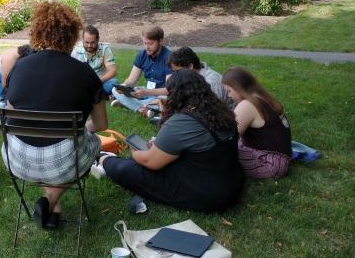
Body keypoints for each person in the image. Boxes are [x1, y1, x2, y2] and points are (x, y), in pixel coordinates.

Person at [3, 1, 108, 229]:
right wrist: (77, 129)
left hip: (17, 158)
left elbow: (10, 115)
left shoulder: (20, 67)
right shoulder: (85, 73)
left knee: (47, 142)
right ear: (72, 36)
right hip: (62, 162)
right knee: (93, 142)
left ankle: (53, 206)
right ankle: (51, 199)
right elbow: (100, 124)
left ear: (38, 32)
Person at [93, 69, 245, 213]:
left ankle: (104, 158)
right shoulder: (221, 111)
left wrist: (134, 150)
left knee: (131, 169)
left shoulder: (183, 121)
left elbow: (150, 162)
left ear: (176, 94)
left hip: (208, 195)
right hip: (233, 183)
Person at [222, 67, 292, 179]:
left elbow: (227, 137)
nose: (229, 96)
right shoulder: (262, 96)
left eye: (229, 91)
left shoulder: (247, 105)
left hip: (269, 163)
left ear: (238, 88)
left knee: (217, 156)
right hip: (282, 157)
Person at [111, 26, 172, 117]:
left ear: (160, 41)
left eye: (150, 43)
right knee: (114, 90)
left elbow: (168, 90)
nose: (147, 47)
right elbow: (131, 81)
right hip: (146, 92)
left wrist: (146, 92)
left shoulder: (169, 58)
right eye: (145, 43)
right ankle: (143, 109)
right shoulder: (142, 55)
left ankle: (129, 104)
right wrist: (124, 87)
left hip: (160, 94)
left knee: (164, 102)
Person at [71, 25, 118, 95]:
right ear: (82, 40)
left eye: (93, 42)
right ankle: (95, 95)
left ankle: (89, 94)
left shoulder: (105, 49)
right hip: (82, 83)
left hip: (100, 82)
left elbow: (113, 71)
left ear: (98, 40)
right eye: (86, 42)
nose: (89, 45)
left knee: (114, 82)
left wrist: (99, 81)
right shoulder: (76, 49)